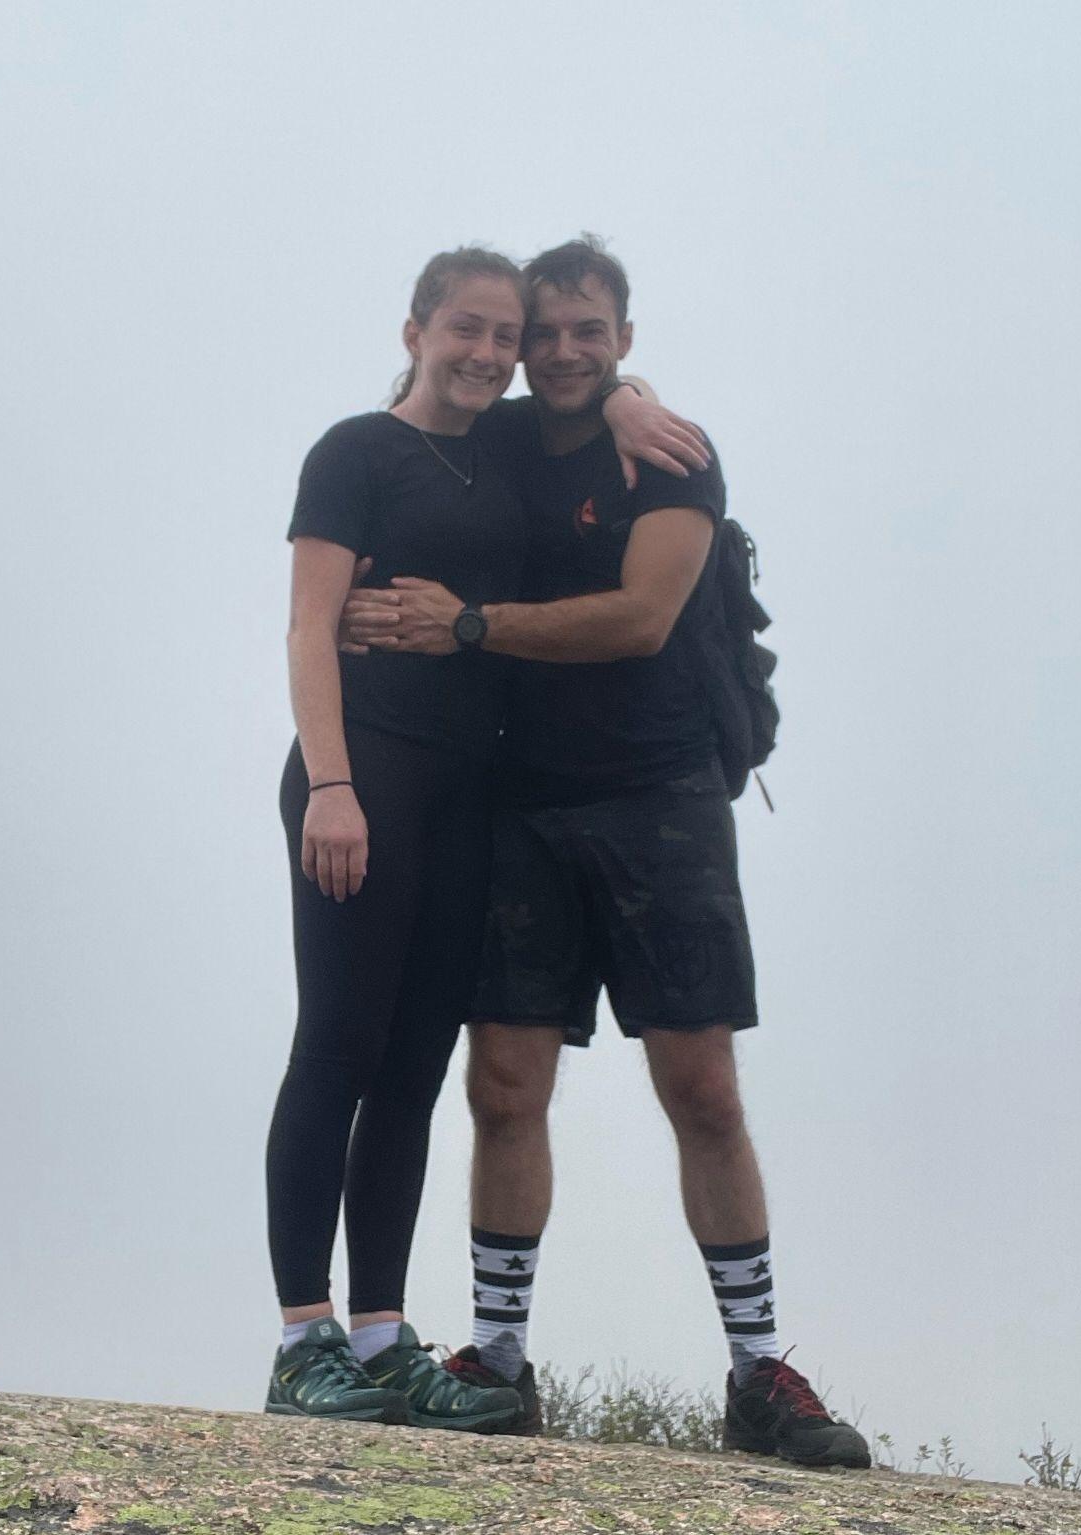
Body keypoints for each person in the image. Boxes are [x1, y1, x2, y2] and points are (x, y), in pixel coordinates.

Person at [342, 236, 872, 1468]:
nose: (566, 352)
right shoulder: (505, 437)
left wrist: (467, 625)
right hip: (517, 803)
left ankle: (757, 1372)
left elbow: (641, 619)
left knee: (703, 1091)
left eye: (593, 334)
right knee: (505, 1089)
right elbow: (406, 432)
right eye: (548, 333)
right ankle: (500, 1362)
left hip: (661, 797)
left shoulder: (672, 451)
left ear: (627, 338)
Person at [265, 244, 701, 1432]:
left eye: (504, 338)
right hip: (366, 775)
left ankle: (381, 1333)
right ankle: (303, 1337)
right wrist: (333, 786)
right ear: (414, 329)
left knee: (414, 1069)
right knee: (340, 1046)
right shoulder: (355, 451)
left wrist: (625, 391)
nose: (491, 353)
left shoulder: (503, 451)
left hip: (470, 795)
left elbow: (593, 380)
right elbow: (308, 626)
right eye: (467, 328)